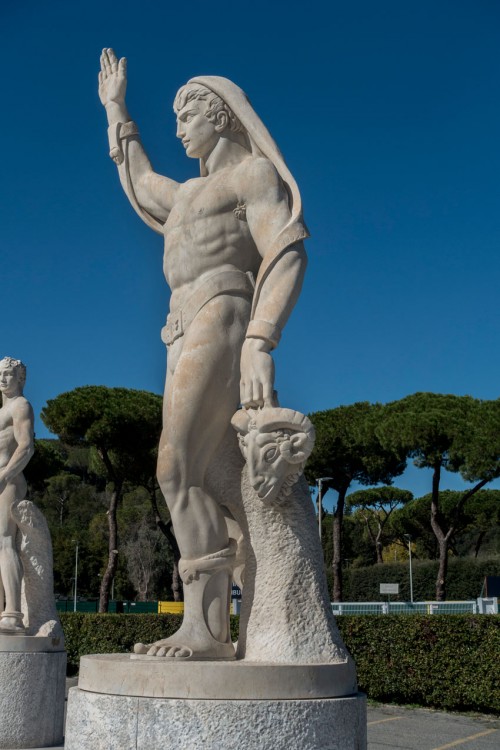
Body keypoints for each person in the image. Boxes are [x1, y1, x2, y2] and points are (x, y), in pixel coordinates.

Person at [99, 49, 308, 658]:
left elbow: (287, 250)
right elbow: (140, 183)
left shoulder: (253, 178)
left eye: (186, 112)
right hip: (179, 326)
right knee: (194, 471)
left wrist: (260, 342)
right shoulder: (189, 192)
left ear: (219, 115)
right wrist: (117, 110)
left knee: (173, 466)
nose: (178, 125)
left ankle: (208, 630)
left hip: (223, 311)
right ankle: (219, 613)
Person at [0, 357, 34, 633]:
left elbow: (26, 447)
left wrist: (4, 475)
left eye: (8, 374)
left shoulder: (20, 406)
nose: (2, 379)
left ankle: (12, 613)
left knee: (5, 542)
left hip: (8, 480)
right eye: (0, 374)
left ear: (20, 378)